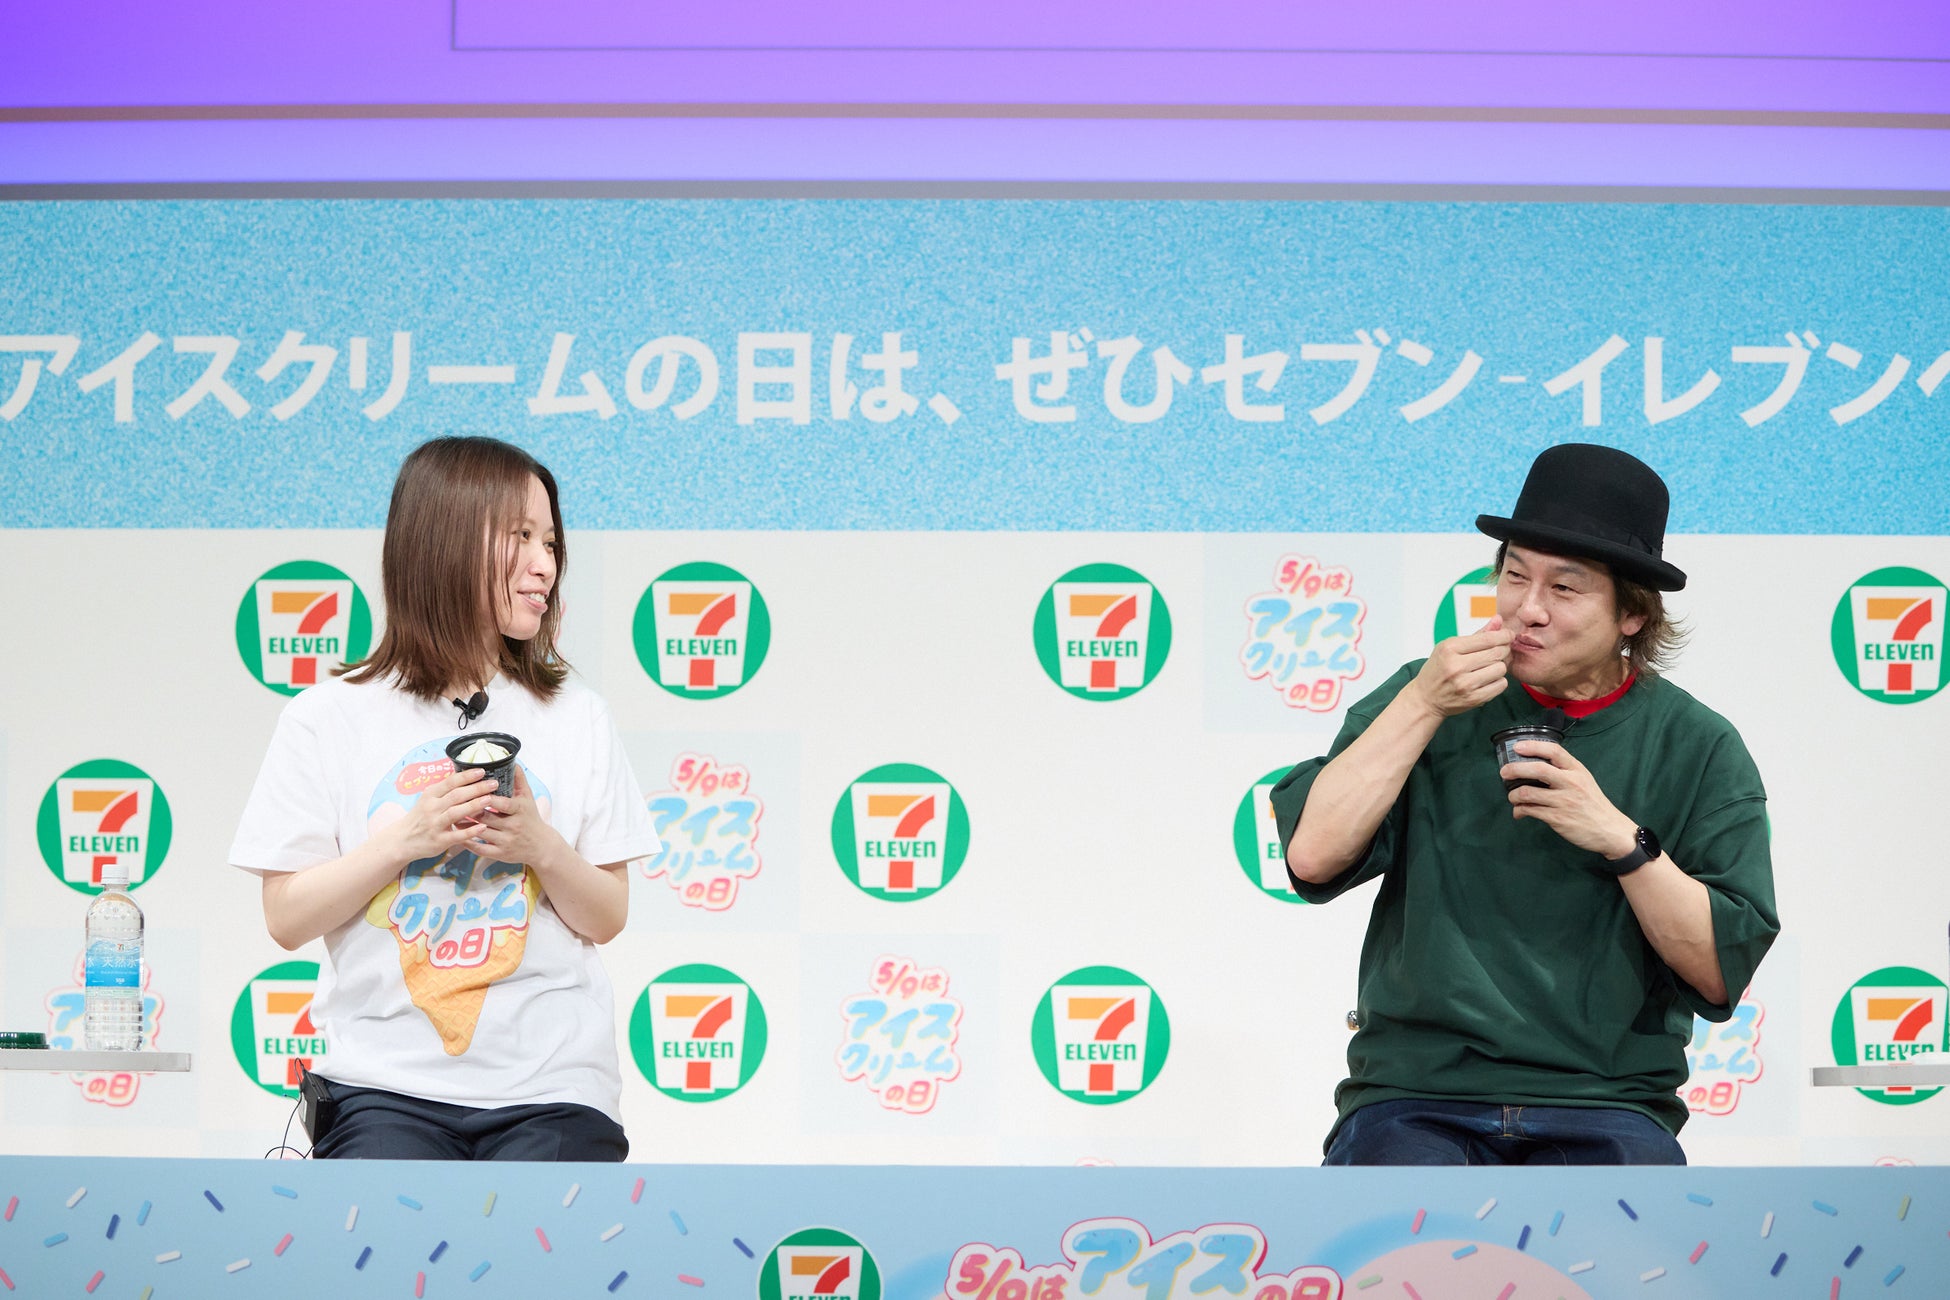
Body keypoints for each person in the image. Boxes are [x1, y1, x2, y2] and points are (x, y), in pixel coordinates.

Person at [1273, 443, 1777, 1166]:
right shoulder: (1428, 692)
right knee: (1400, 1218)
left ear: (1633, 613)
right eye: (1514, 576)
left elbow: (1718, 972)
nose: (1527, 610)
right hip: (1416, 1095)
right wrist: (1423, 704)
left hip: (1607, 1102)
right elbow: (1312, 856)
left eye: (1565, 588)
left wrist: (1621, 840)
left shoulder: (1697, 744)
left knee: (1635, 1226)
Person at [230, 436, 659, 1160]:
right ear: (445, 542)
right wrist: (406, 839)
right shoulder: (327, 716)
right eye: (521, 537)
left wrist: (542, 849)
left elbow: (608, 915)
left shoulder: (577, 715)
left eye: (551, 542)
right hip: (381, 1088)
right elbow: (286, 918)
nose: (545, 565)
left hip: (552, 1089)